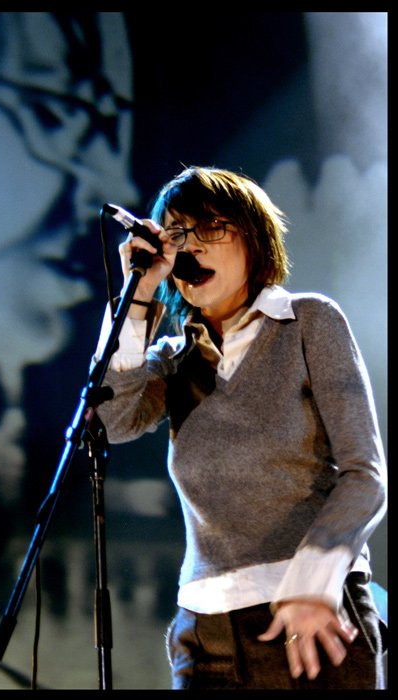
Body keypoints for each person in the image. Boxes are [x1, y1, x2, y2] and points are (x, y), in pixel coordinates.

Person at [94, 166, 387, 690]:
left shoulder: (307, 322)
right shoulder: (174, 359)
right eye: (177, 234)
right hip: (204, 632)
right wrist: (139, 294)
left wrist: (312, 579)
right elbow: (113, 422)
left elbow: (366, 475)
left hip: (310, 617)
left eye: (210, 228)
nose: (191, 247)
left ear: (252, 237)